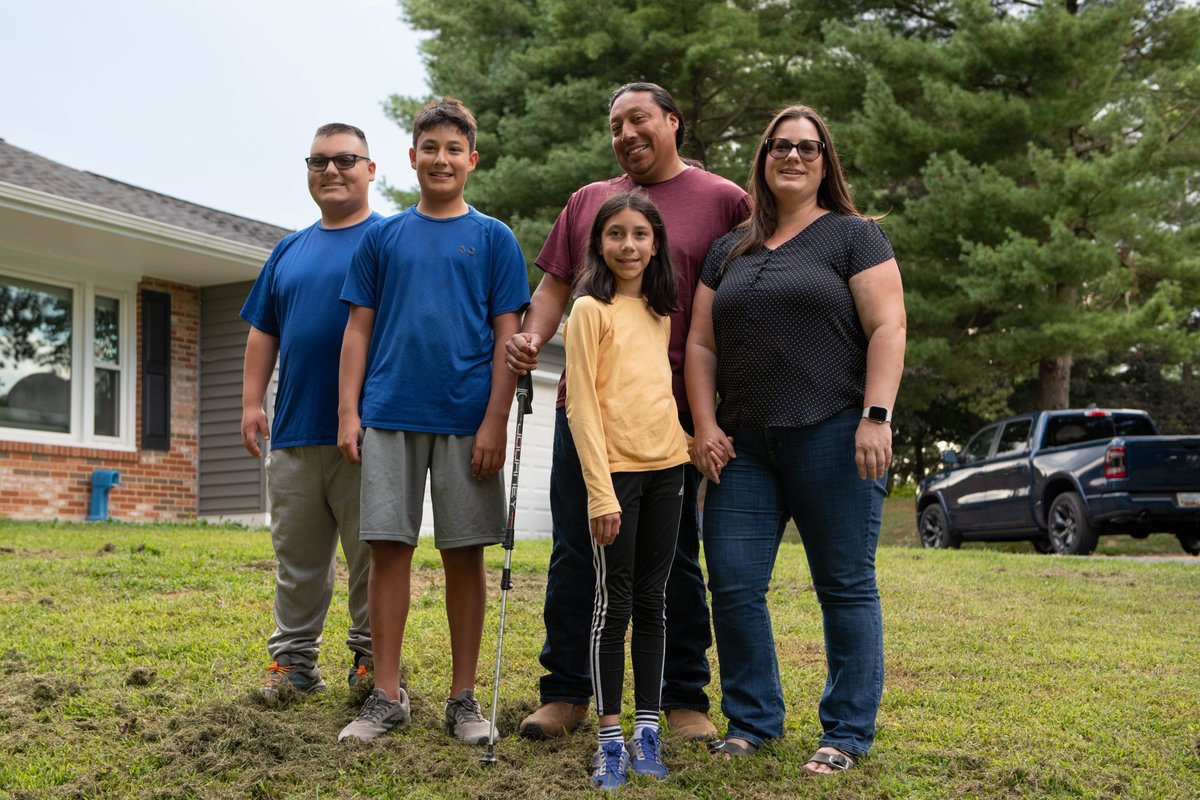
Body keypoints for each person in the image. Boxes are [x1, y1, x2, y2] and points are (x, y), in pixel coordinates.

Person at [507, 82, 749, 742]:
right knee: (577, 551)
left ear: (673, 122)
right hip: (587, 413)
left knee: (672, 559)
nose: (625, 133)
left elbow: (756, 285)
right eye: (615, 125)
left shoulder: (726, 200)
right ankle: (566, 692)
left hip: (673, 418)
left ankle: (682, 697)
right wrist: (532, 334)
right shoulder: (589, 201)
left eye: (638, 119)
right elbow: (555, 285)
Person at [685, 104, 906, 773]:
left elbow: (888, 327)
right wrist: (705, 425)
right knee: (733, 582)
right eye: (781, 146)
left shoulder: (854, 236)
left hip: (835, 434)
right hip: (744, 445)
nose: (793, 157)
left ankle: (844, 734)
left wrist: (876, 416)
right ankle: (752, 720)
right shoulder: (731, 248)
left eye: (808, 148)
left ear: (824, 161)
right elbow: (699, 344)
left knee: (843, 585)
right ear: (762, 157)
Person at [334, 98, 530, 745]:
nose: (441, 158)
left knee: (463, 553)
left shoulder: (496, 240)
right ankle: (386, 696)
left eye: (454, 148)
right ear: (411, 157)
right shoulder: (381, 239)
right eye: (430, 147)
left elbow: (510, 337)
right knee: (388, 549)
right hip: (389, 416)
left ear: (472, 160)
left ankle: (464, 699)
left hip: (465, 421)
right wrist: (348, 412)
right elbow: (356, 332)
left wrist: (495, 421)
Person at [240, 123, 382, 702]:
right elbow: (262, 332)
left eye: (345, 159)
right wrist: (253, 401)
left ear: (371, 169)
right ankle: (294, 664)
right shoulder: (288, 249)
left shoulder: (390, 239)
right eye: (318, 161)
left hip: (369, 433)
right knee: (297, 559)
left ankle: (373, 662)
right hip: (295, 431)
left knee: (373, 558)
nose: (331, 170)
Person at [564, 192, 691, 789]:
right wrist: (599, 492)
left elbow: (655, 391)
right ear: (600, 244)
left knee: (653, 601)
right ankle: (610, 737)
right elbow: (583, 406)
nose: (629, 246)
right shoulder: (590, 310)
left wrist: (688, 443)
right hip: (614, 477)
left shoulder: (661, 311)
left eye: (640, 234)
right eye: (616, 234)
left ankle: (647, 729)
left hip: (668, 470)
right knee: (611, 606)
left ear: (656, 242)